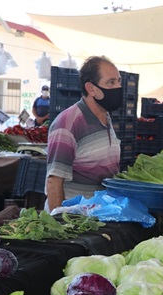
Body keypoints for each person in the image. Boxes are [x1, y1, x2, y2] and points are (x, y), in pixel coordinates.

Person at [45, 56, 122, 212]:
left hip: (99, 212)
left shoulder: (105, 117)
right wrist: (62, 225)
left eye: (119, 81)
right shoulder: (67, 124)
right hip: (75, 217)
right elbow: (54, 181)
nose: (118, 87)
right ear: (91, 88)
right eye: (111, 82)